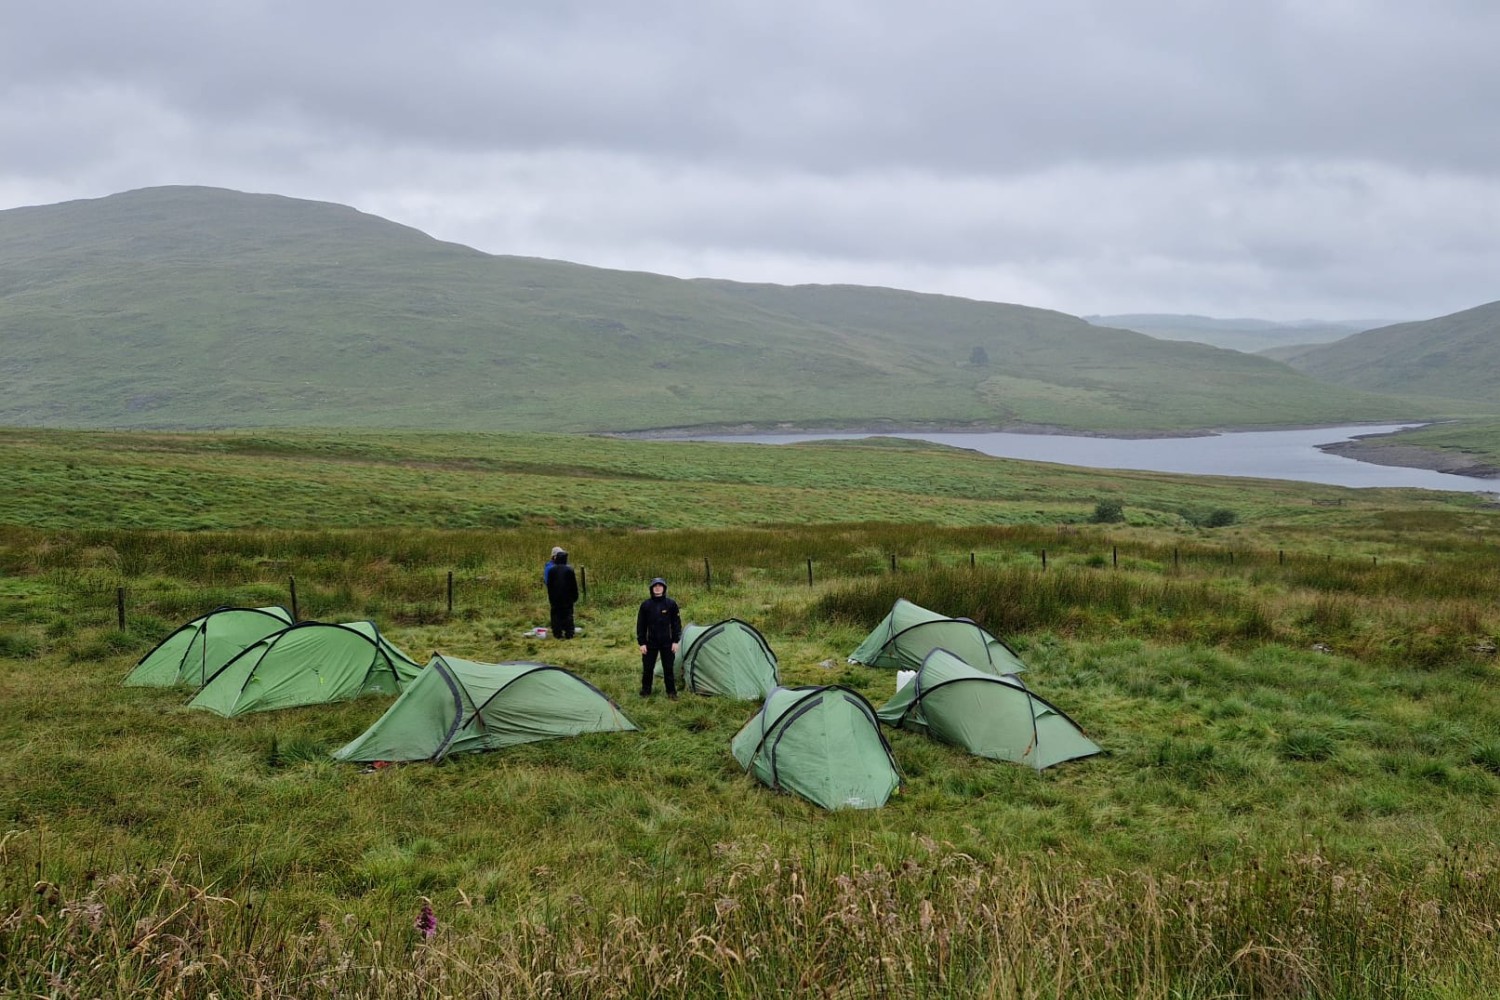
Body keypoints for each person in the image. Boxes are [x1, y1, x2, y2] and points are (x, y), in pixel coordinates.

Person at [636, 577, 682, 698]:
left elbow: (676, 624)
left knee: (668, 669)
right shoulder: (645, 605)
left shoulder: (671, 604)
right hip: (650, 643)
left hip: (667, 643)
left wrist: (676, 641)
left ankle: (671, 692)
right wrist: (642, 643)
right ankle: (646, 691)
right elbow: (641, 625)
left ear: (664, 588)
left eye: (660, 586)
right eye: (655, 586)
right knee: (648, 669)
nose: (657, 588)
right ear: (652, 589)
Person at [545, 549, 579, 639]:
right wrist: (575, 596)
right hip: (567, 598)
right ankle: (569, 633)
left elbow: (549, 585)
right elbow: (573, 585)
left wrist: (551, 597)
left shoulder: (552, 570)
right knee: (568, 615)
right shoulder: (569, 570)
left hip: (555, 598)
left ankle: (557, 633)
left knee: (555, 615)